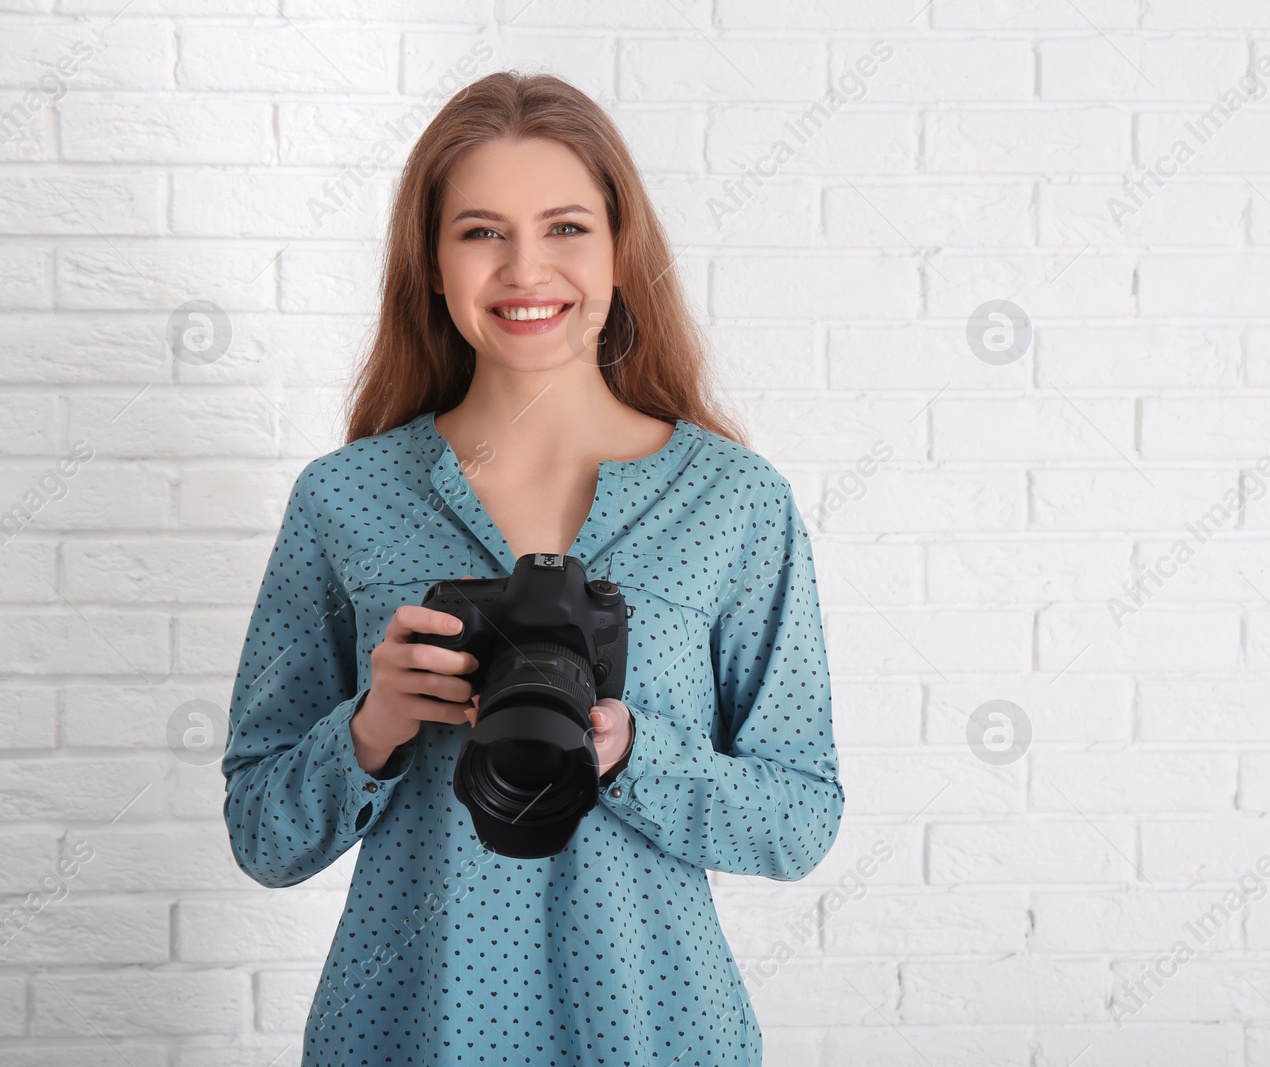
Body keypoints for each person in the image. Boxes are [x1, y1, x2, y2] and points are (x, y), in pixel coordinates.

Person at [221, 71, 844, 1066]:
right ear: (429, 261)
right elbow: (262, 830)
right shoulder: (343, 499)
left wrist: (635, 748)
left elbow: (801, 816)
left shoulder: (733, 501)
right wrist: (373, 724)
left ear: (618, 250)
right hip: (408, 1035)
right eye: (479, 231)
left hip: (657, 1032)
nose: (524, 268)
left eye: (564, 227)